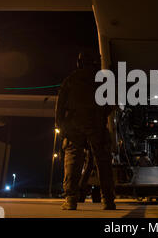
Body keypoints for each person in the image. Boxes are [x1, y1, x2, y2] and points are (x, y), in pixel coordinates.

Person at [55, 51, 116, 210]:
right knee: (103, 162)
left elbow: (60, 104)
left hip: (74, 123)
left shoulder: (71, 79)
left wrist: (60, 124)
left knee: (73, 159)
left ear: (79, 63)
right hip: (96, 123)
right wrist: (101, 115)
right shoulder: (102, 80)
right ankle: (108, 200)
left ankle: (71, 200)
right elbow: (112, 101)